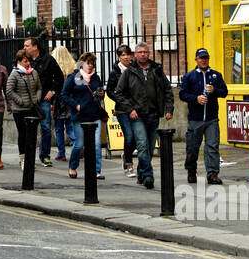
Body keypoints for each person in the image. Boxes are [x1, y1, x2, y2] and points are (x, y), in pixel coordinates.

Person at [118, 41, 176, 189]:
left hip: (153, 113)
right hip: (137, 115)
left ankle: (141, 172)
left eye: (145, 52)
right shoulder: (129, 71)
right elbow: (120, 93)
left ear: (149, 54)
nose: (143, 54)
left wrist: (169, 109)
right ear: (135, 55)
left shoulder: (156, 70)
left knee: (150, 147)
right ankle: (148, 175)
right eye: (140, 52)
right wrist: (130, 109)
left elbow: (167, 90)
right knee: (142, 145)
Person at [179, 47, 227, 185]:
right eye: (201, 58)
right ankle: (191, 171)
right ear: (196, 60)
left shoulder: (216, 75)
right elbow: (183, 94)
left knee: (212, 146)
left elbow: (224, 92)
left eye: (206, 58)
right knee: (192, 147)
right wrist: (196, 99)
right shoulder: (190, 76)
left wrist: (214, 90)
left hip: (211, 118)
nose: (204, 60)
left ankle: (212, 173)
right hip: (196, 118)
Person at [61, 51, 105, 179]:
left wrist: (100, 93)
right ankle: (73, 166)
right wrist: (76, 105)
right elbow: (64, 94)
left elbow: (99, 90)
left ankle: (96, 170)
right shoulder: (74, 77)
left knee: (96, 144)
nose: (90, 66)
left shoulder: (96, 78)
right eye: (87, 63)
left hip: (94, 114)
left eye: (92, 63)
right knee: (79, 144)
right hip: (80, 115)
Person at [24, 36, 64, 167]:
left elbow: (59, 76)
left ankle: (45, 155)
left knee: (46, 127)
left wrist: (52, 91)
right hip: (28, 100)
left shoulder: (48, 60)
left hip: (44, 100)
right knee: (29, 129)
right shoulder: (25, 60)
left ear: (35, 47)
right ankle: (27, 156)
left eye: (27, 45)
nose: (25, 48)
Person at [6, 49, 43, 171]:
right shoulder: (15, 74)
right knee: (22, 134)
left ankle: (30, 158)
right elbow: (9, 91)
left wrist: (36, 98)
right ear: (19, 61)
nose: (28, 64)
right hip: (20, 110)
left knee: (32, 135)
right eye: (25, 61)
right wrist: (20, 101)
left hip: (32, 108)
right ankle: (23, 158)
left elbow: (39, 87)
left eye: (29, 61)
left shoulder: (34, 73)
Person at [108, 45, 135, 175]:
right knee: (129, 136)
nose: (126, 57)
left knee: (138, 137)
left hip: (136, 108)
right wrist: (120, 100)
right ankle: (128, 164)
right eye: (122, 55)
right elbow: (109, 91)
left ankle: (127, 153)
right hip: (122, 109)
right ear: (119, 57)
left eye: (127, 54)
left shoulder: (136, 69)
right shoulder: (115, 72)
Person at [51, 45, 77, 162]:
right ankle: (77, 145)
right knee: (71, 127)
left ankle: (61, 153)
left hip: (58, 100)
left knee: (58, 128)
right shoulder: (73, 67)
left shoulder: (54, 67)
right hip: (70, 100)